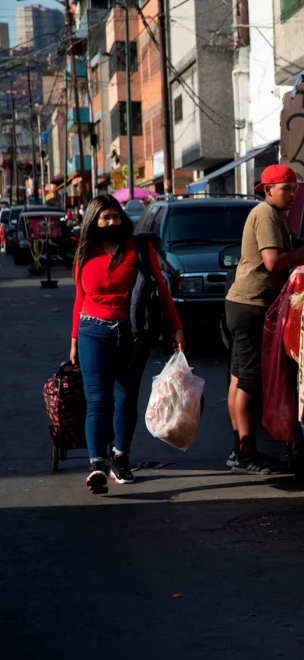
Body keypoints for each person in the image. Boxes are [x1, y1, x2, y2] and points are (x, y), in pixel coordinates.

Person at [69, 194, 185, 494]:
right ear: (94, 221)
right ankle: (97, 464)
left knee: (125, 399)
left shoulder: (139, 248)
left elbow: (161, 288)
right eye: (105, 218)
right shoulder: (84, 252)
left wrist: (176, 327)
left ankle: (120, 457)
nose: (111, 222)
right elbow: (80, 299)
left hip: (132, 334)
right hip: (92, 332)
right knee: (97, 400)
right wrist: (73, 339)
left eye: (115, 216)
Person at [225, 165, 304, 475]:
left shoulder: (278, 216)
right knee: (248, 381)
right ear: (267, 190)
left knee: (239, 377)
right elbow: (273, 263)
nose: (292, 193)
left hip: (243, 304)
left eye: (294, 188)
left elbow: (293, 246)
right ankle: (245, 454)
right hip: (251, 306)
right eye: (286, 188)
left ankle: (239, 452)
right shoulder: (265, 214)